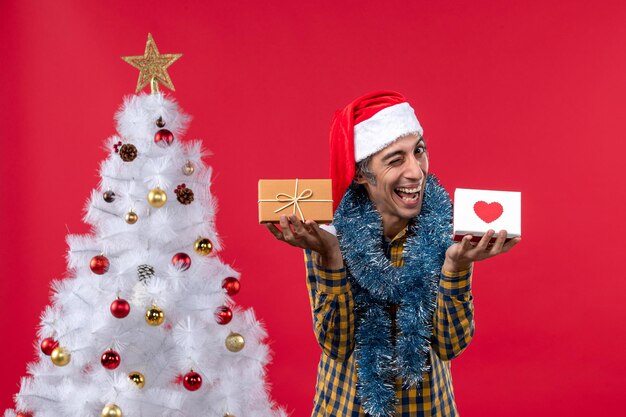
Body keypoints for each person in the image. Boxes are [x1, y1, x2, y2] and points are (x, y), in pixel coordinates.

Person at [266, 91, 520, 417]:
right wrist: (330, 256)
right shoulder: (327, 232)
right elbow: (336, 345)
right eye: (396, 159)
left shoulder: (444, 229)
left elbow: (450, 344)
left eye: (419, 151)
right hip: (346, 407)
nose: (416, 171)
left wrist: (456, 266)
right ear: (361, 174)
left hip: (429, 408)